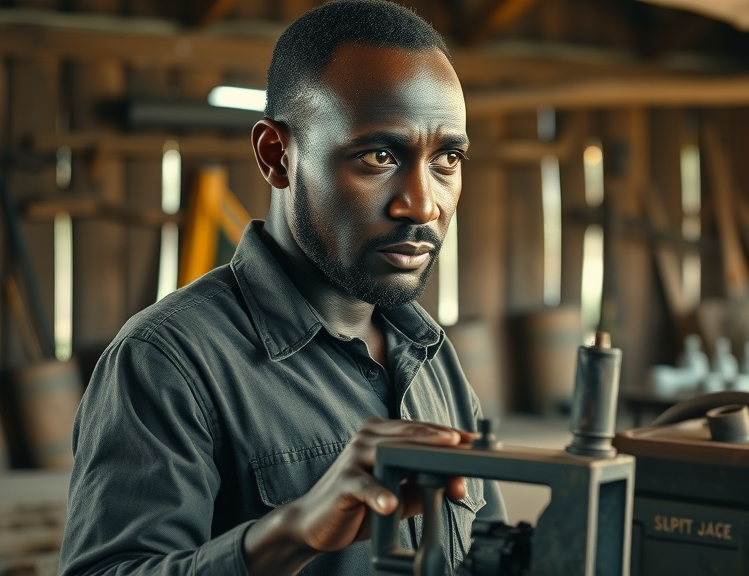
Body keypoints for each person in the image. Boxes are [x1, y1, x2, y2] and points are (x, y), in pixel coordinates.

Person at [58, 1, 506, 574]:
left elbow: (490, 546)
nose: (422, 203)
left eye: (447, 158)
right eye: (379, 155)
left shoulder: (429, 352)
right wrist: (290, 533)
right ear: (277, 156)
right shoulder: (167, 364)